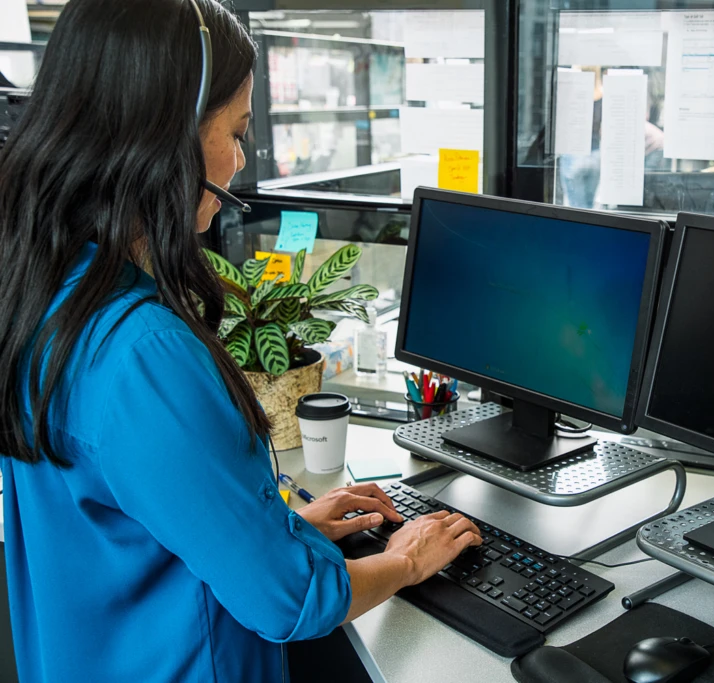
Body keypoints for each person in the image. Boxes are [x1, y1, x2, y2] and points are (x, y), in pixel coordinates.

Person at [0, 1, 481, 681]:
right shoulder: (143, 354)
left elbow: (145, 519)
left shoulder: (48, 295)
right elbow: (293, 600)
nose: (238, 159)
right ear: (163, 141)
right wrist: (409, 557)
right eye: (235, 129)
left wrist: (285, 529)